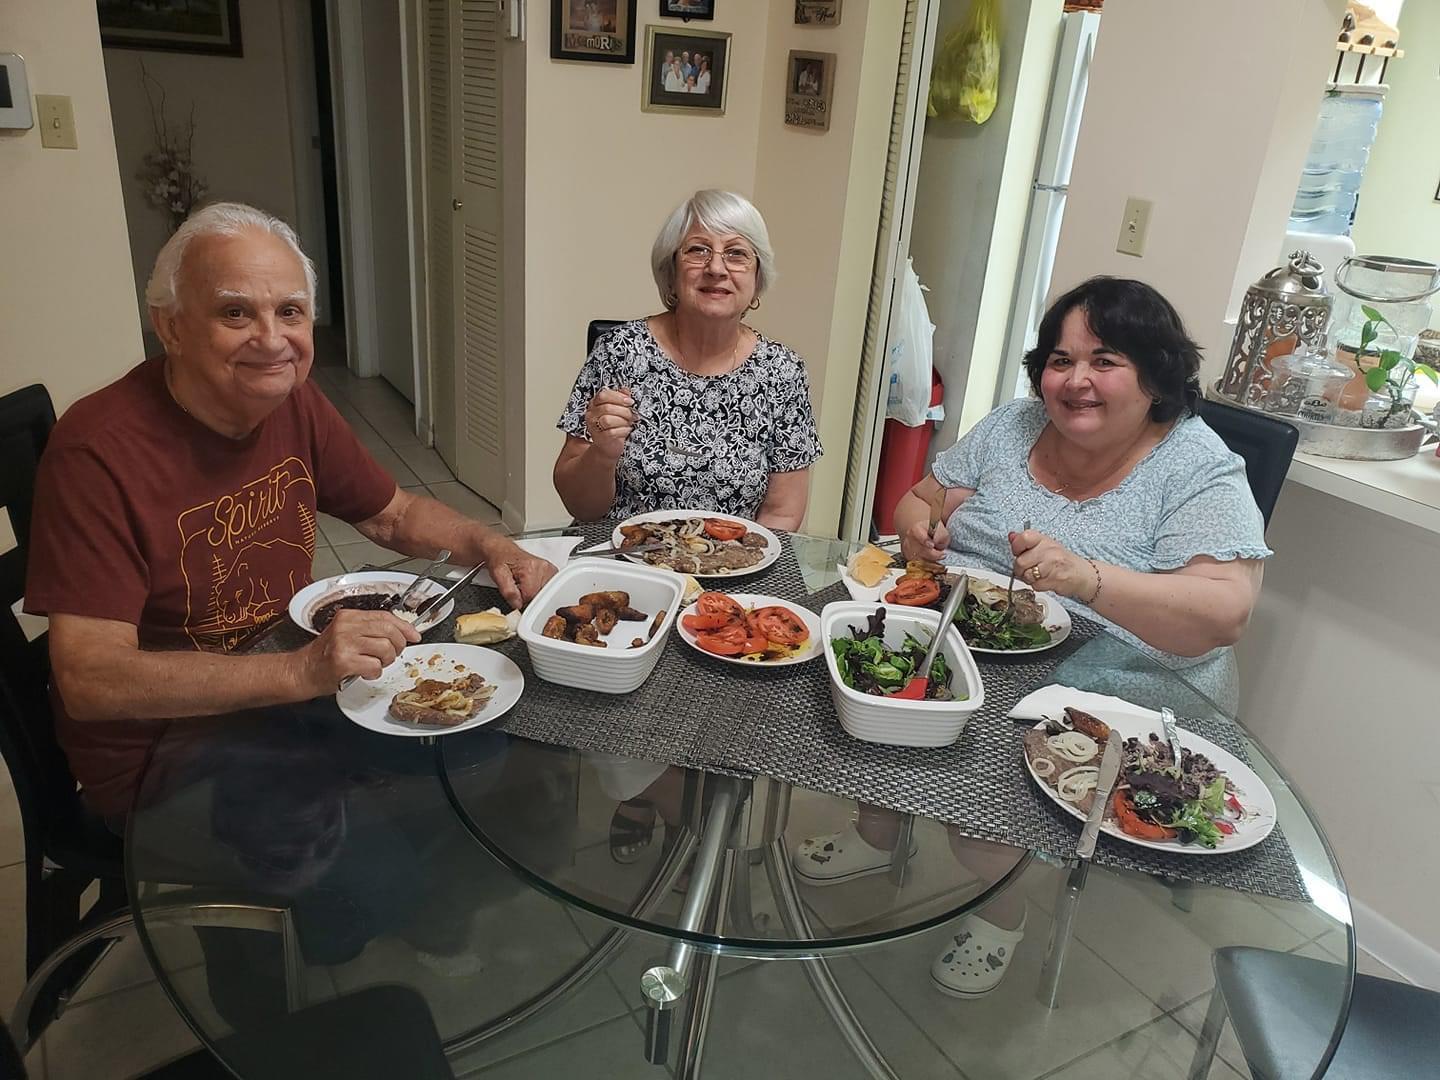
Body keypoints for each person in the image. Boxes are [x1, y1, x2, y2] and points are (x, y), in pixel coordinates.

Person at [795, 276, 1270, 997]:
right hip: (981, 635)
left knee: (985, 772)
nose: (1076, 380)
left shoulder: (1197, 466)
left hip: (1125, 677)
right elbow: (921, 499)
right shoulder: (1015, 424)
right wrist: (918, 529)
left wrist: (1088, 579)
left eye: (1105, 360)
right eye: (1060, 360)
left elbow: (1224, 611)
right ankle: (878, 829)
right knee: (872, 683)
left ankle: (1001, 911)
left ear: (1156, 376)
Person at [24, 201, 556, 822]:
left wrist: (491, 545)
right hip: (170, 757)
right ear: (170, 327)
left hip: (282, 702)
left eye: (290, 311)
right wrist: (301, 670)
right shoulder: (97, 453)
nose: (272, 340)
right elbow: (91, 680)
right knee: (420, 825)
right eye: (234, 312)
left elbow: (391, 514)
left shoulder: (291, 400)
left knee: (503, 763)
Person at [553, 188, 822, 529]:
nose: (716, 268)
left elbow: (782, 514)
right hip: (618, 552)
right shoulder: (619, 352)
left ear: (757, 279)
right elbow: (580, 505)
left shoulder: (782, 372)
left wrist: (737, 560)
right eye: (698, 250)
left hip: (730, 558)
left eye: (737, 253)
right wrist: (603, 454)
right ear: (671, 271)